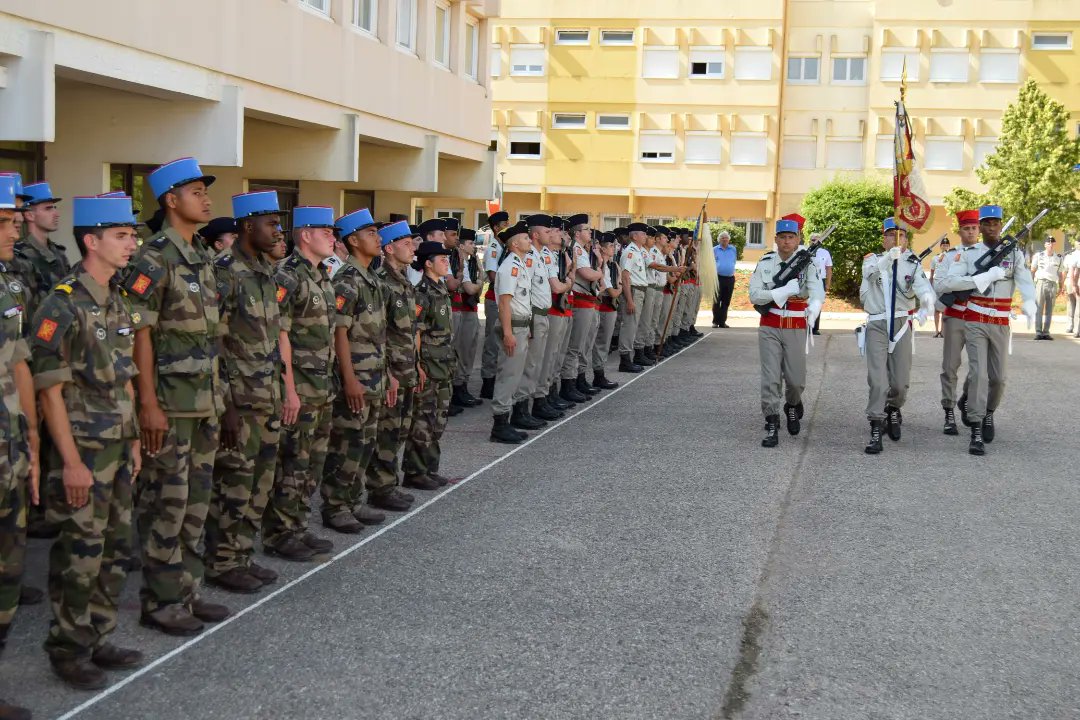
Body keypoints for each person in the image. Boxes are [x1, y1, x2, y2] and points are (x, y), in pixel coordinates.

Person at [32, 195, 143, 690]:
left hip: (118, 447)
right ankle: (68, 648)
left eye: (133, 236)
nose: (131, 244)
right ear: (91, 241)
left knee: (116, 548)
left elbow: (125, 378)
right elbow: (49, 390)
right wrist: (71, 462)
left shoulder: (118, 298)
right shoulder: (61, 302)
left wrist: (136, 437)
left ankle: (98, 634)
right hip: (84, 451)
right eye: (122, 236)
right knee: (80, 552)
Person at [125, 158, 227, 635]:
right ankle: (160, 600)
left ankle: (188, 590)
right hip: (170, 402)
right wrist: (147, 403)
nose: (206, 199)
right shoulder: (153, 258)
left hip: (204, 400)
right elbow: (139, 335)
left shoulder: (201, 256)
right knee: (167, 502)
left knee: (196, 502)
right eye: (195, 192)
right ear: (170, 200)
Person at [204, 191, 284, 594]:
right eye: (271, 223)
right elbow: (213, 341)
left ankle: (242, 556)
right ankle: (221, 562)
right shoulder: (224, 272)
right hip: (240, 400)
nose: (278, 230)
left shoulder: (263, 270)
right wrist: (228, 405)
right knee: (234, 483)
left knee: (260, 483)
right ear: (248, 226)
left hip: (267, 395)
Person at [261, 207, 337, 560]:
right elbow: (280, 334)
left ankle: (298, 525)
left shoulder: (321, 275)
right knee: (292, 461)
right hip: (301, 387)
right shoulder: (288, 275)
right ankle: (280, 533)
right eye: (326, 231)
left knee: (312, 462)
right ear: (306, 235)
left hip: (321, 386)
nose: (333, 237)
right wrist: (288, 389)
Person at [321, 209, 399, 526]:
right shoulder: (347, 282)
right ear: (353, 240)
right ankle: (336, 506)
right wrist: (350, 380)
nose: (378, 239)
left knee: (366, 442)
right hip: (356, 377)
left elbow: (380, 335)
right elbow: (339, 332)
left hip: (376, 374)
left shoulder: (372, 280)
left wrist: (390, 374)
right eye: (370, 234)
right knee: (347, 443)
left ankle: (354, 500)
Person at [940, 204, 1036, 455]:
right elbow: (950, 282)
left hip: (1001, 322)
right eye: (987, 223)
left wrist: (1029, 301)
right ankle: (976, 427)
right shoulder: (969, 254)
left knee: (999, 379)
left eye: (996, 223)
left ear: (1001, 225)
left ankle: (988, 412)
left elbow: (1024, 279)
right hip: (975, 319)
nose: (992, 227)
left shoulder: (1013, 253)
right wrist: (982, 278)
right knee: (979, 375)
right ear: (980, 226)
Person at [0, 173, 39, 719]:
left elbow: (20, 362)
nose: (15, 230)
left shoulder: (8, 284)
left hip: (9, 447)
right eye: (6, 222)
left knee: (7, 575)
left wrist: (31, 437)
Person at [859, 218, 936, 454]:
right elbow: (871, 275)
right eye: (891, 234)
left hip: (902, 323)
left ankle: (893, 408)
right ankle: (875, 423)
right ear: (884, 238)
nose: (896, 239)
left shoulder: (912, 263)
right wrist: (887, 258)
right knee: (878, 380)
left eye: (901, 235)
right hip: (877, 323)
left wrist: (927, 304)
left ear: (907, 238)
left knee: (900, 383)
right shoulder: (872, 259)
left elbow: (923, 288)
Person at [748, 219, 824, 448]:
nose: (786, 241)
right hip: (770, 324)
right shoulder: (766, 263)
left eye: (791, 237)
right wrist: (780, 292)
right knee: (770, 378)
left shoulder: (807, 263)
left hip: (795, 325)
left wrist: (815, 307)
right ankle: (772, 420)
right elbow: (755, 295)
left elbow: (817, 290)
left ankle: (792, 404)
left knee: (796, 380)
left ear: (798, 239)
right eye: (782, 237)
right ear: (776, 239)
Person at [364, 220, 423, 517]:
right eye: (406, 243)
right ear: (389, 248)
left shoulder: (403, 281)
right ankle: (380, 488)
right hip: (392, 371)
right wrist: (387, 374)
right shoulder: (382, 283)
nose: (412, 248)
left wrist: (418, 362)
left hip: (407, 367)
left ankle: (389, 483)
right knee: (386, 432)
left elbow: (410, 330)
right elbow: (379, 333)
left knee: (399, 430)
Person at [402, 241, 455, 484]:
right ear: (428, 263)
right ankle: (415, 471)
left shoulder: (441, 289)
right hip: (429, 365)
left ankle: (430, 467)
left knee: (439, 418)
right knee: (423, 418)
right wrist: (417, 365)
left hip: (443, 363)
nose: (447, 263)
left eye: (447, 259)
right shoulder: (422, 292)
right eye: (442, 259)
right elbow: (416, 332)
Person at [934, 210, 979, 435]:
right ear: (959, 231)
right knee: (950, 366)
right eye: (966, 228)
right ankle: (949, 410)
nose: (970, 232)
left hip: (979, 318)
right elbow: (940, 286)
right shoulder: (948, 257)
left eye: (974, 228)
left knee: (979, 369)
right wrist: (967, 282)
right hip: (954, 316)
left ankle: (966, 397)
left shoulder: (986, 255)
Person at [490, 223, 533, 444]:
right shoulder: (510, 266)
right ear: (514, 243)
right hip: (513, 326)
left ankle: (506, 421)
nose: (530, 241)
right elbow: (504, 303)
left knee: (515, 374)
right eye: (526, 238)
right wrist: (508, 333)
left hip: (521, 325)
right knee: (507, 375)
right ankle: (499, 424)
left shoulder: (520, 264)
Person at [511, 215, 554, 430]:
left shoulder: (540, 256)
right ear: (536, 234)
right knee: (529, 365)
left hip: (543, 314)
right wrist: (528, 322)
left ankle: (533, 404)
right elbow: (523, 292)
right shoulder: (527, 258)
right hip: (533, 316)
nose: (551, 234)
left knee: (537, 363)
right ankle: (520, 410)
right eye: (547, 231)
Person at [449, 228, 483, 409]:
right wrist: (480, 282)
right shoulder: (455, 260)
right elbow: (470, 289)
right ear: (461, 245)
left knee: (469, 349)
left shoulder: (468, 261)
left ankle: (462, 386)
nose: (473, 246)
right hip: (459, 308)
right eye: (470, 243)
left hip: (469, 308)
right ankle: (457, 388)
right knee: (460, 350)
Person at [479, 211, 511, 399]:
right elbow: (493, 275)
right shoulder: (494, 247)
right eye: (505, 224)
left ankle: (498, 379)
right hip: (494, 297)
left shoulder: (505, 246)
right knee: (492, 340)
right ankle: (488, 381)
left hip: (505, 298)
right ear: (497, 228)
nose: (508, 226)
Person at [617, 223, 650, 372]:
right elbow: (625, 277)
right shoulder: (629, 252)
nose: (646, 236)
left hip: (639, 291)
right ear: (635, 236)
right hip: (633, 292)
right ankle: (625, 360)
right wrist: (629, 300)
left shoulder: (639, 251)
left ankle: (631, 357)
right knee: (629, 325)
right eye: (643, 234)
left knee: (634, 325)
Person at [591, 232, 621, 389]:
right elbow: (613, 291)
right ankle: (598, 374)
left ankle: (599, 373)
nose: (614, 248)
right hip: (604, 305)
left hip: (610, 306)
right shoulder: (602, 266)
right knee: (601, 343)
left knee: (604, 342)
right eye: (610, 245)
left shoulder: (611, 265)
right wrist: (620, 285)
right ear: (602, 249)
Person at [1029, 236, 1063, 340]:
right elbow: (1033, 270)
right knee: (1039, 308)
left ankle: (1046, 332)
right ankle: (1038, 332)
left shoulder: (1058, 257)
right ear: (1045, 245)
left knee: (1049, 309)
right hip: (1041, 283)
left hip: (1053, 284)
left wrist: (1061, 286)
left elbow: (1060, 273)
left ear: (1054, 244)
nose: (1050, 245)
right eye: (1048, 243)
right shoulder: (1039, 256)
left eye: (1052, 243)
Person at [711, 230, 737, 328]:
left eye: (726, 238)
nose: (724, 239)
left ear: (728, 239)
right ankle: (715, 321)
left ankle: (722, 322)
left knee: (726, 301)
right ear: (719, 240)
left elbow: (733, 261)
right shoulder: (715, 249)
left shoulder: (733, 249)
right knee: (716, 301)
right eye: (722, 238)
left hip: (730, 278)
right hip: (718, 278)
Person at [929, 238, 952, 338]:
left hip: (946, 285)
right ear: (940, 246)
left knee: (944, 310)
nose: (945, 247)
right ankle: (936, 330)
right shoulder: (935, 258)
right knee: (936, 309)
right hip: (936, 285)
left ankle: (942, 331)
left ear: (949, 247)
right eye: (943, 245)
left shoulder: (951, 258)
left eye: (947, 245)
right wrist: (930, 286)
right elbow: (932, 273)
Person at [811, 238, 832, 336]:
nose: (814, 241)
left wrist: (828, 283)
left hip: (820, 280)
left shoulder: (825, 252)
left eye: (816, 239)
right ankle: (805, 326)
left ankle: (815, 328)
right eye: (812, 239)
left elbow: (829, 269)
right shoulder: (805, 251)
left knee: (817, 304)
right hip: (809, 280)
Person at [1064, 242, 1080, 336]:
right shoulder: (1071, 255)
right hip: (1072, 281)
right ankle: (1073, 327)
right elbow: (1069, 271)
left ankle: (1075, 328)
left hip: (1074, 281)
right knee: (1073, 304)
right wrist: (1073, 284)